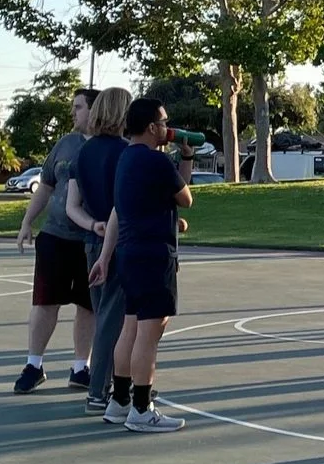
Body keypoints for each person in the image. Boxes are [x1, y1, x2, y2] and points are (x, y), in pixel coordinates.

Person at [90, 96, 194, 433]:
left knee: (130, 328)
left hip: (130, 254)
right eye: (163, 122)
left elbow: (123, 209)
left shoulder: (126, 158)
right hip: (154, 256)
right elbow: (186, 198)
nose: (167, 128)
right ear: (151, 127)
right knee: (150, 333)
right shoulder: (156, 161)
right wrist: (186, 157)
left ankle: (119, 400)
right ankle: (141, 408)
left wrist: (105, 257)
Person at [10, 87, 98, 392]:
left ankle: (80, 368)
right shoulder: (65, 143)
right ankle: (33, 365)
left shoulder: (112, 146)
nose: (73, 112)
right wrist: (27, 222)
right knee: (45, 301)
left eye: (78, 107)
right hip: (55, 236)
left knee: (88, 305)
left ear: (95, 110)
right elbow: (46, 186)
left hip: (91, 240)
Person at [66, 88, 134, 415]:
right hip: (121, 241)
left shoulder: (83, 152)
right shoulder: (127, 153)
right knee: (112, 319)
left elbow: (72, 206)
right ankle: (100, 390)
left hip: (92, 241)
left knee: (103, 313)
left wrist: (94, 225)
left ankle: (114, 384)